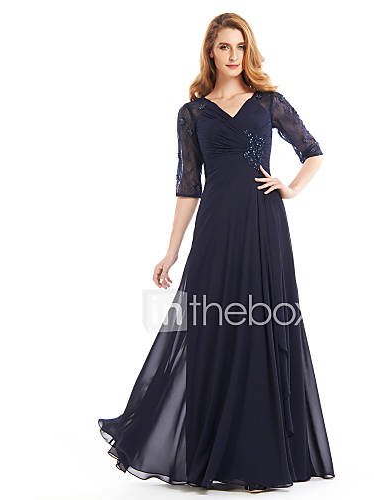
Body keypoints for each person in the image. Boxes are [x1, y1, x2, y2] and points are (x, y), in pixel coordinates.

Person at [98, 12, 335, 493]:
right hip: (214, 231)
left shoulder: (268, 103)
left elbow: (313, 151)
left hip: (263, 226)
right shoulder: (192, 114)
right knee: (208, 328)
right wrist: (170, 252)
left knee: (261, 327)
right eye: (224, 46)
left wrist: (290, 187)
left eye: (240, 46)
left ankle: (261, 460)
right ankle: (209, 456)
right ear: (211, 51)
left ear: (249, 50)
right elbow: (188, 187)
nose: (233, 55)